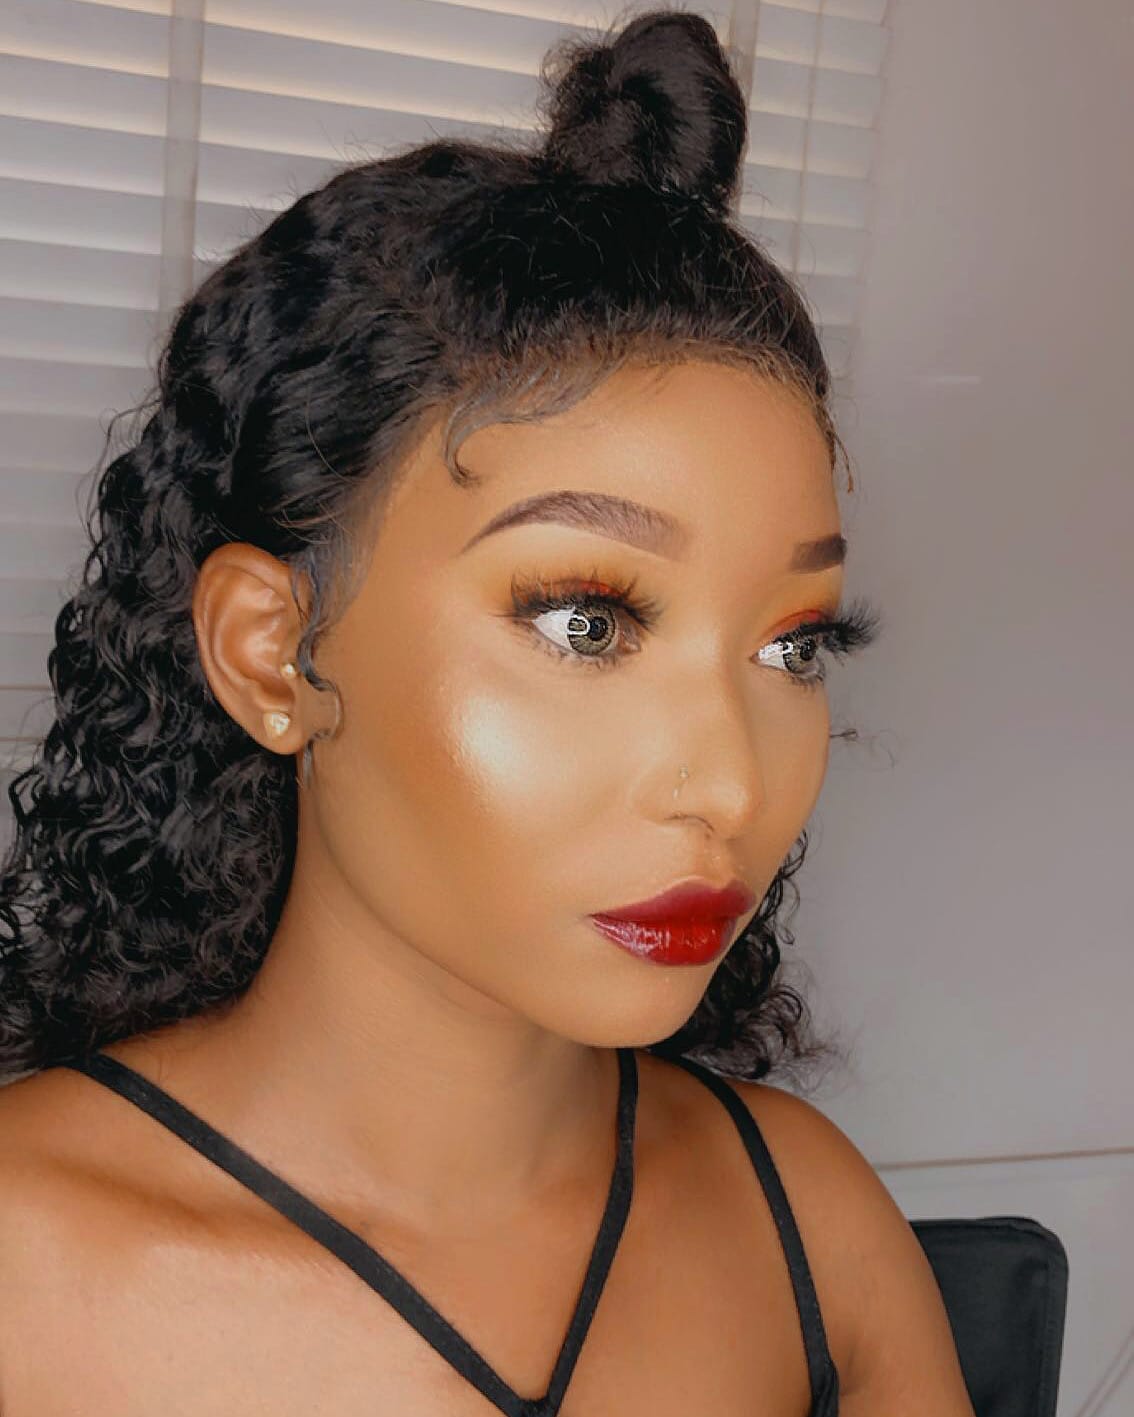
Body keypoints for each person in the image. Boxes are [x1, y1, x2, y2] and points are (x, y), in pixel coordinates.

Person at [0, 9, 974, 1414]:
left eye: (790, 644)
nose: (728, 784)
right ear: (273, 654)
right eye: (588, 622)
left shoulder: (810, 1231)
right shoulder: (25, 1268)